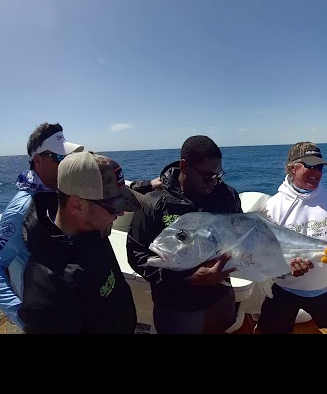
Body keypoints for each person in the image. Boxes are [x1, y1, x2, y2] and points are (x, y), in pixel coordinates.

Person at [0, 122, 160, 332]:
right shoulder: (21, 210)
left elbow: (106, 189)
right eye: (60, 157)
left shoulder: (66, 191)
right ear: (37, 160)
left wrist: (147, 185)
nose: (68, 162)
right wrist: (20, 312)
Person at [127, 135, 243, 334]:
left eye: (218, 175)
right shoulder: (154, 203)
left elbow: (241, 237)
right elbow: (138, 257)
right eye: (207, 176)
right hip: (177, 307)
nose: (213, 182)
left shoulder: (227, 196)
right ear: (184, 166)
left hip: (220, 298)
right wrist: (189, 280)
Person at [17, 151, 141, 333]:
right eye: (114, 208)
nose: (120, 214)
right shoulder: (46, 287)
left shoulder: (95, 228)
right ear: (78, 205)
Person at [256, 141, 327, 334]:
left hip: (326, 289)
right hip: (283, 289)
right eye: (309, 166)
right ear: (291, 168)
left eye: (319, 166)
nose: (316, 172)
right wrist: (285, 270)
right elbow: (265, 256)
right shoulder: (272, 207)